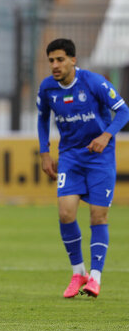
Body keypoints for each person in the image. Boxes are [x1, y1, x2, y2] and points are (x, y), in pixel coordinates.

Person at [37, 38, 129, 298]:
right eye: (51, 60)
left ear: (73, 60)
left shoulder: (94, 82)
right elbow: (42, 118)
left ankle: (96, 278)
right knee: (66, 214)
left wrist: (106, 136)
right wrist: (45, 152)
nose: (55, 65)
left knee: (98, 216)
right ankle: (79, 273)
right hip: (69, 157)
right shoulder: (47, 88)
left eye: (60, 59)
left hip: (99, 158)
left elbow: (123, 112)